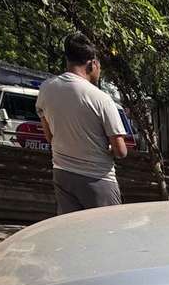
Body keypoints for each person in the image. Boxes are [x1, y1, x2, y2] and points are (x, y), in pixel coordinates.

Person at [36, 33, 129, 215]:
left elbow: (49, 136)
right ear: (92, 63)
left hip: (62, 173)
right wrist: (106, 149)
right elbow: (121, 151)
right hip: (98, 179)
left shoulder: (46, 89)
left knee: (73, 232)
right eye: (99, 65)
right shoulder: (100, 99)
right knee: (108, 233)